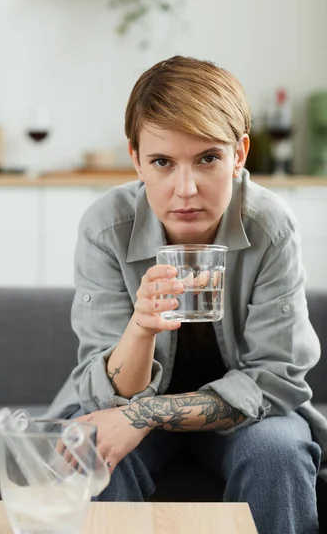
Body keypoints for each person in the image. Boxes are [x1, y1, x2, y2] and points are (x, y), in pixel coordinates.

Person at [46, 56, 327, 534]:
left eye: (208, 159)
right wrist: (140, 328)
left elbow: (276, 380)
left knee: (277, 452)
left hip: (247, 417)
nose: (186, 189)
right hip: (129, 404)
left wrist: (146, 413)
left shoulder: (270, 227)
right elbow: (105, 391)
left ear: (239, 154)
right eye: (161, 162)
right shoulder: (106, 227)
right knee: (90, 449)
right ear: (136, 158)